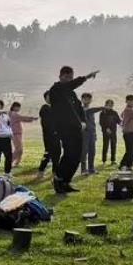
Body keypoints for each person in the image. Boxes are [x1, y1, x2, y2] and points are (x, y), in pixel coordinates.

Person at [48, 66, 100, 194]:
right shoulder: (56, 89)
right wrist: (86, 77)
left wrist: (82, 121)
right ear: (60, 76)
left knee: (77, 155)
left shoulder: (71, 93)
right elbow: (70, 85)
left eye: (70, 77)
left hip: (76, 128)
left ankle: (66, 182)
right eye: (66, 77)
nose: (68, 79)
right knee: (69, 154)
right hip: (64, 128)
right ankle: (58, 179)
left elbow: (79, 108)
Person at [78, 93, 104, 176]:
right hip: (84, 134)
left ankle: (91, 169)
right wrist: (101, 108)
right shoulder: (81, 109)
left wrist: (95, 134)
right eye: (85, 99)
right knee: (84, 152)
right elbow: (90, 111)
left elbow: (93, 123)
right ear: (82, 100)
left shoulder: (90, 109)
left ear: (90, 100)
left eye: (88, 99)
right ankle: (83, 170)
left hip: (92, 133)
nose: (87, 100)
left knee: (92, 152)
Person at [9, 102, 37, 168]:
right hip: (15, 134)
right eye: (18, 107)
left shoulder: (13, 114)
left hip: (17, 133)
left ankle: (17, 163)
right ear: (14, 107)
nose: (19, 108)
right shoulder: (13, 114)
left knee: (20, 149)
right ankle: (10, 162)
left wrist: (31, 119)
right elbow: (23, 118)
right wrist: (32, 118)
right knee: (19, 149)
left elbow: (22, 119)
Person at [37, 91, 59, 177]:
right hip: (48, 135)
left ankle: (55, 172)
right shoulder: (45, 108)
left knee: (57, 153)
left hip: (57, 135)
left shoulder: (57, 108)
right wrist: (53, 130)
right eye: (48, 96)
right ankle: (41, 170)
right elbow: (46, 123)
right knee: (48, 153)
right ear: (45, 98)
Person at [99, 99, 121, 165]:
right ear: (105, 104)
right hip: (106, 132)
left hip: (113, 132)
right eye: (109, 104)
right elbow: (101, 122)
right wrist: (106, 129)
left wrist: (123, 124)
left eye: (111, 104)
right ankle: (104, 161)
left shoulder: (114, 112)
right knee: (105, 146)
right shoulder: (102, 112)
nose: (110, 105)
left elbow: (118, 121)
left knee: (113, 145)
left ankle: (113, 160)